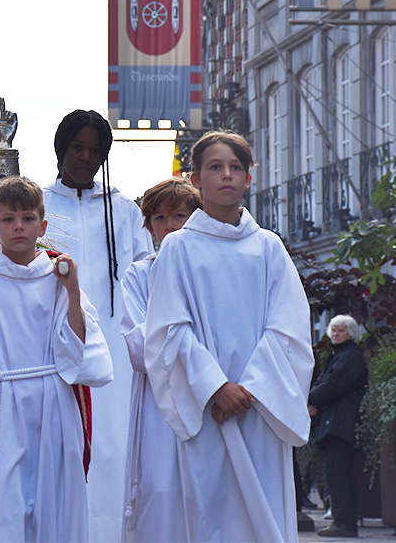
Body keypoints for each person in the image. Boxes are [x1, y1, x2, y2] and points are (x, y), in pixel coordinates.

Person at [144, 130, 314, 542]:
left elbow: (289, 326)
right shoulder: (178, 248)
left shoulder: (268, 247)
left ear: (248, 178)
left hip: (260, 408)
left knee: (265, 513)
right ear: (195, 179)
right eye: (215, 167)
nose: (226, 175)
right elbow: (168, 328)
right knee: (213, 515)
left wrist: (250, 389)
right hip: (208, 407)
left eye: (236, 167)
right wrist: (216, 387)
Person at [0, 175, 113, 541]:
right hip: (3, 409)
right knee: (6, 505)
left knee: (54, 503)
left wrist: (73, 292)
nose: (19, 227)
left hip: (53, 405)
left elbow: (79, 346)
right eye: (9, 219)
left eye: (28, 218)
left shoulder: (58, 277)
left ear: (42, 226)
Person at [42, 109, 152, 539]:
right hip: (54, 346)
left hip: (116, 352)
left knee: (115, 449)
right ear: (61, 149)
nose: (86, 158)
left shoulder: (125, 211)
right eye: (77, 148)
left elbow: (146, 280)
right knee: (62, 448)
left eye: (95, 150)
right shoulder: (38, 207)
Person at [120, 177, 202, 542]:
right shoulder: (139, 275)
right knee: (159, 489)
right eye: (159, 217)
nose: (169, 225)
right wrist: (189, 348)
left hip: (206, 395)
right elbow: (139, 347)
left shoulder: (209, 268)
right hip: (158, 402)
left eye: (179, 215)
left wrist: (170, 342)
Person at [308, 316, 368, 539]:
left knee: (337, 472)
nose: (335, 334)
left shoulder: (348, 356)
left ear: (351, 333)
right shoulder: (340, 355)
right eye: (333, 330)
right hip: (337, 421)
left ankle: (343, 522)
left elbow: (333, 385)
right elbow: (325, 382)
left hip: (341, 422)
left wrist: (309, 400)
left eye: (341, 331)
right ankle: (344, 522)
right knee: (340, 472)